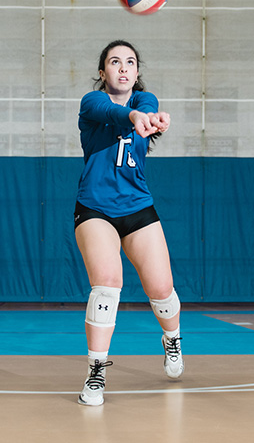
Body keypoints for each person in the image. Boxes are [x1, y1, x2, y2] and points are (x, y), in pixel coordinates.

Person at [73, 40, 182, 406]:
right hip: (95, 208)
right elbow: (114, 113)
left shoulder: (145, 102)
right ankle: (96, 372)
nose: (123, 67)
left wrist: (151, 117)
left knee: (162, 291)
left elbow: (147, 106)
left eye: (130, 62)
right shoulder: (93, 103)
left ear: (136, 73)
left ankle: (172, 340)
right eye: (114, 62)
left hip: (137, 207)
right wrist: (135, 119)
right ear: (103, 72)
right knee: (107, 283)